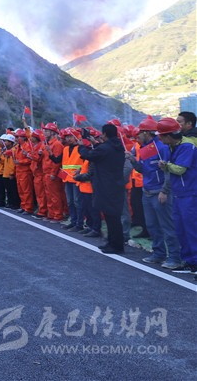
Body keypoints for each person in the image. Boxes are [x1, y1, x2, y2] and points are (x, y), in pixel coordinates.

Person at [127, 116, 181, 269]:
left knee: (167, 226)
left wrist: (164, 190)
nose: (138, 135)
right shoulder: (146, 148)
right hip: (147, 192)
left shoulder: (162, 147)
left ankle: (175, 257)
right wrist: (132, 160)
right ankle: (159, 253)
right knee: (152, 225)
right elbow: (144, 170)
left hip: (160, 193)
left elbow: (168, 171)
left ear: (146, 132)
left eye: (140, 132)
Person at [156, 117, 197, 275]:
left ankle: (195, 262)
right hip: (179, 193)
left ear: (168, 136)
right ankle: (189, 261)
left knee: (191, 228)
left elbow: (180, 169)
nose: (159, 139)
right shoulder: (171, 146)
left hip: (190, 193)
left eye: (161, 136)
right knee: (181, 228)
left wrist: (166, 166)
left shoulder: (187, 146)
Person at [78, 124, 126, 254]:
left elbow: (88, 155)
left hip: (105, 185)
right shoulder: (118, 146)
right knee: (112, 217)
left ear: (104, 134)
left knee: (111, 217)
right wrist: (95, 143)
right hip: (115, 184)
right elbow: (102, 151)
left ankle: (116, 246)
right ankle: (112, 242)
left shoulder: (105, 148)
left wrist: (81, 146)